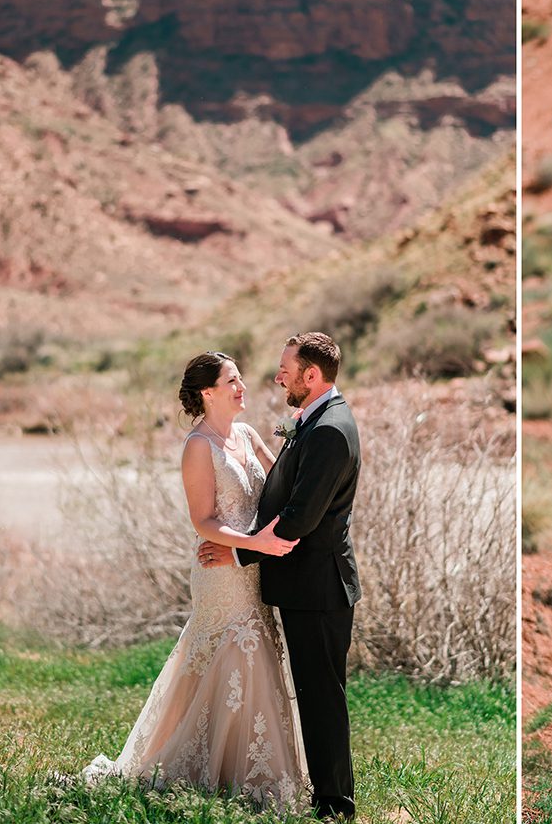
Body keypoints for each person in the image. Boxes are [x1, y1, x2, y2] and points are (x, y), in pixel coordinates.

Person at [84, 350, 309, 810]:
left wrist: (305, 436)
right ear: (208, 392)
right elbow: (203, 522)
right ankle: (196, 770)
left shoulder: (246, 434)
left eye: (241, 379)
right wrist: (256, 545)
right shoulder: (197, 447)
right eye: (232, 381)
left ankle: (258, 771)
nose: (242, 387)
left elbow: (283, 483)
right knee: (226, 656)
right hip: (220, 573)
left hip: (249, 567)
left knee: (260, 654)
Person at [198, 332, 362, 821]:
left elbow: (299, 518)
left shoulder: (330, 429)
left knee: (321, 698)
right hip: (309, 584)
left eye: (286, 370)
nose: (278, 378)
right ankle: (330, 795)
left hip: (318, 587)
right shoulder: (315, 421)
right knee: (316, 694)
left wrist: (238, 555)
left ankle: (335, 804)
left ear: (311, 376)